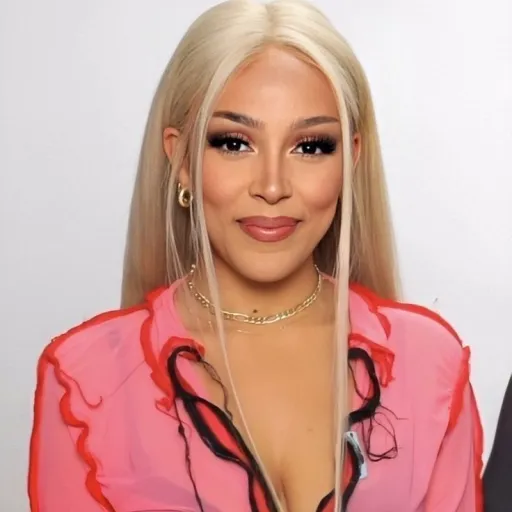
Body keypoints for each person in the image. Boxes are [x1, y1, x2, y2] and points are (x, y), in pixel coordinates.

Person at [27, 1, 484, 511]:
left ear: (350, 160)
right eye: (234, 143)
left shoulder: (430, 365)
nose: (272, 186)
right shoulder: (87, 380)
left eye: (310, 147)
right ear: (181, 160)